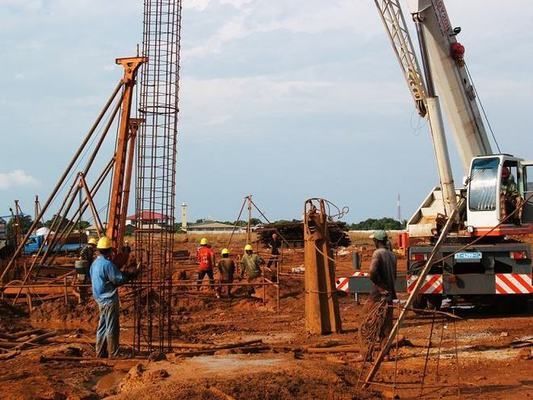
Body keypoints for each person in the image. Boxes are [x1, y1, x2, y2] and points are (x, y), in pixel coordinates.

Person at [90, 236, 136, 358]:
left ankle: (100, 352)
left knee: (102, 326)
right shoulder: (107, 264)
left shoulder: (95, 263)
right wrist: (130, 275)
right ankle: (114, 353)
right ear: (109, 250)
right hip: (108, 299)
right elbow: (118, 279)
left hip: (99, 298)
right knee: (112, 326)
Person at [367, 230, 397, 344]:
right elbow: (394, 275)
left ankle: (367, 353)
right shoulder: (392, 255)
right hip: (390, 293)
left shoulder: (377, 253)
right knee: (387, 324)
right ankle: (386, 352)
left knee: (369, 321)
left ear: (376, 241)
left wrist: (380, 288)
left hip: (377, 294)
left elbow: (372, 272)